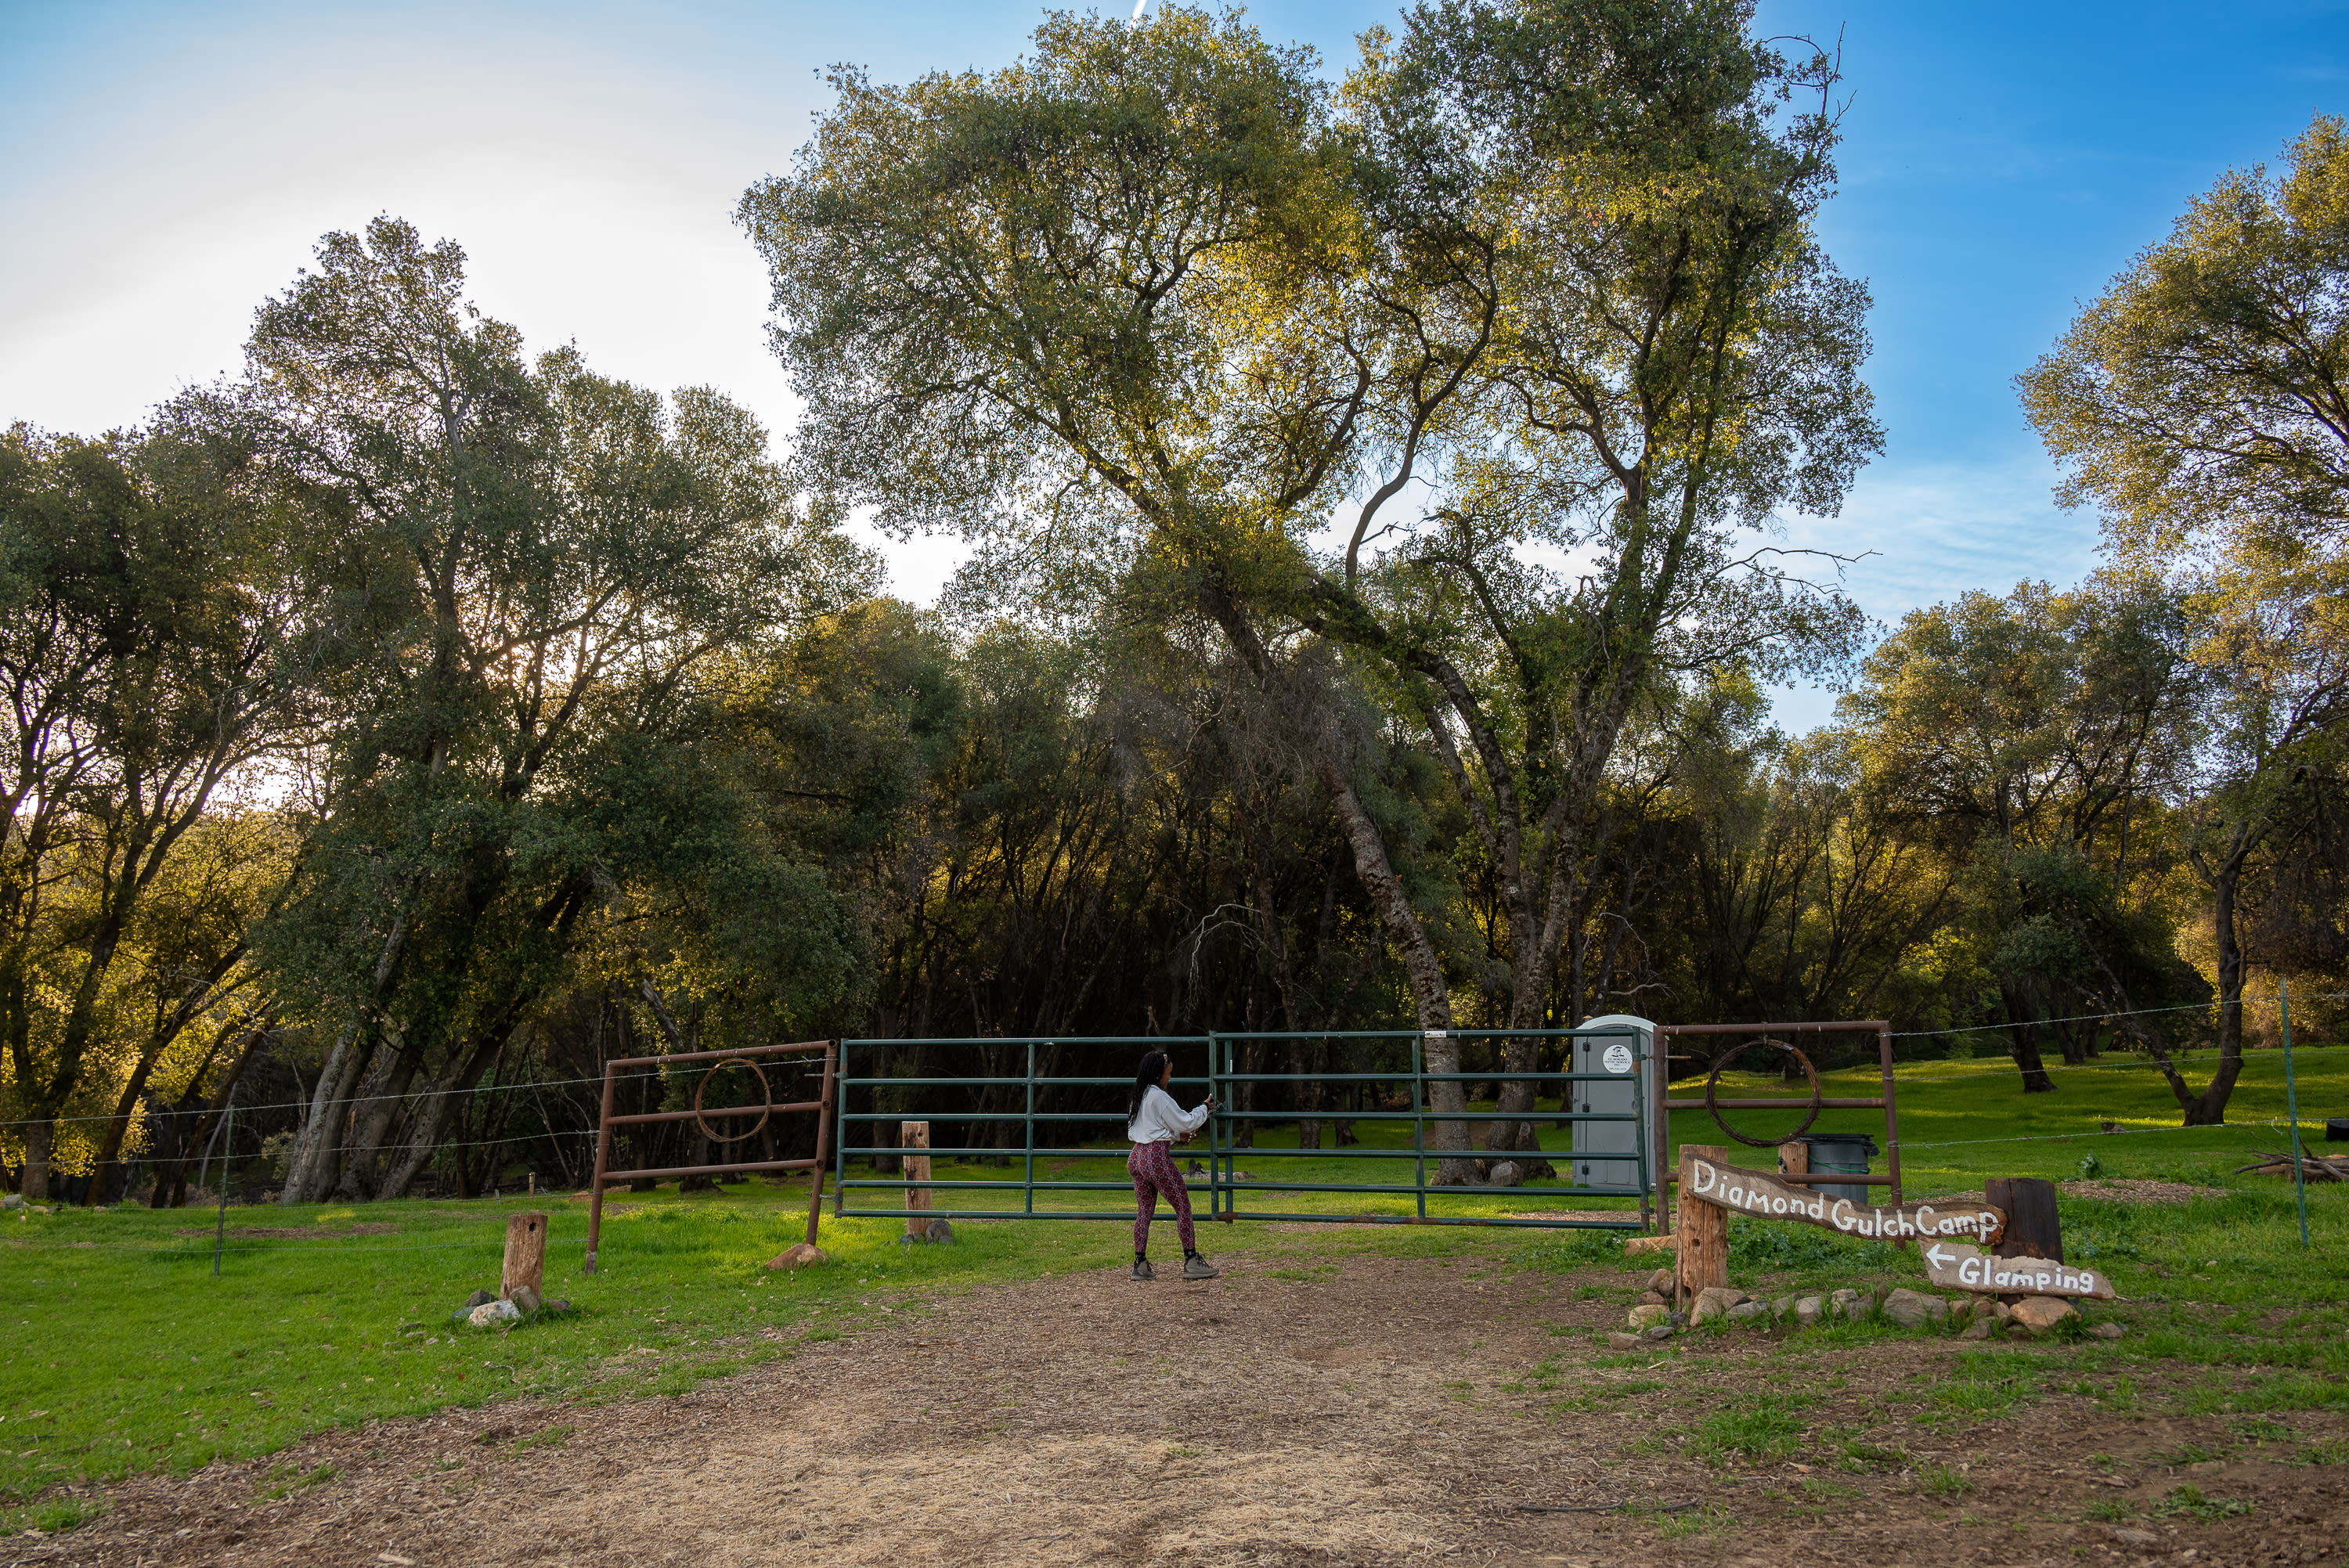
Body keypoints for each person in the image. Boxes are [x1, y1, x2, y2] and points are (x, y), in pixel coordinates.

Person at [1125, 1049, 1218, 1281]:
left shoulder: (1139, 1095)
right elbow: (1186, 1121)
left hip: (1136, 1156)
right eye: (1168, 1074)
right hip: (1156, 1158)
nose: (1169, 1078)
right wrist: (1204, 1108)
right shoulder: (1159, 1097)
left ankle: (1140, 1264)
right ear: (1158, 1075)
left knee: (1144, 1211)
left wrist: (1175, 1136)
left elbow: (1149, 1128)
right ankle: (1191, 1260)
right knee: (1183, 1205)